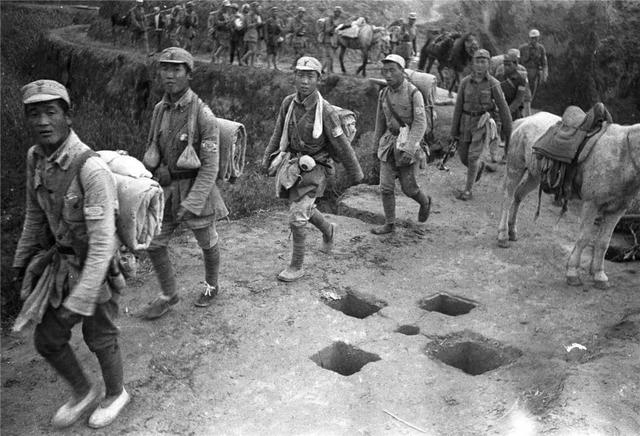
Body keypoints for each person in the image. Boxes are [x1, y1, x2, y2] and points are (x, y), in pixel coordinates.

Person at [12, 80, 129, 429]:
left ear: (68, 116)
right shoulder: (36, 158)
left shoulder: (90, 170)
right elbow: (35, 215)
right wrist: (22, 261)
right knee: (47, 339)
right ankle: (82, 391)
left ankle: (115, 393)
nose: (43, 121)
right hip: (61, 265)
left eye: (51, 112)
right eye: (34, 113)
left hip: (96, 267)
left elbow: (102, 244)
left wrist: (80, 300)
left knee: (100, 337)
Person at [140, 47, 228, 319]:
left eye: (177, 70)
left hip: (194, 190)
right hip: (166, 190)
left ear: (189, 75)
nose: (169, 75)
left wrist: (194, 201)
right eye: (165, 69)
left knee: (207, 241)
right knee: (155, 243)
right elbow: (153, 147)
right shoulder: (159, 110)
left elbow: (210, 166)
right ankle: (169, 294)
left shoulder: (203, 115)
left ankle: (212, 286)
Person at [262, 56, 364, 282]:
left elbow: (342, 145)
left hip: (317, 167)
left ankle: (296, 265)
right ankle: (328, 229)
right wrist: (267, 159)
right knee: (303, 208)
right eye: (300, 75)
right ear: (294, 77)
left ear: (319, 79)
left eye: (310, 76)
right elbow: (278, 133)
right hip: (294, 165)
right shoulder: (288, 103)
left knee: (297, 215)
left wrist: (356, 173)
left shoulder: (325, 111)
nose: (305, 81)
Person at [370, 54, 432, 235]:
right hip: (389, 144)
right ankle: (389, 224)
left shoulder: (414, 93)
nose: (388, 75)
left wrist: (410, 148)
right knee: (386, 187)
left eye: (392, 70)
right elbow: (379, 122)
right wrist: (375, 148)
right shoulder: (383, 94)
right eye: (385, 71)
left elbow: (420, 123)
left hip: (408, 145)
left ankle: (425, 201)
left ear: (402, 72)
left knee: (409, 188)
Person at [450, 49, 512, 201]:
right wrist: (453, 131)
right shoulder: (465, 82)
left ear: (488, 64)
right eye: (477, 61)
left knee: (472, 157)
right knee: (464, 156)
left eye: (483, 61)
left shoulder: (493, 83)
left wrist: (509, 131)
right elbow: (458, 107)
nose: (479, 65)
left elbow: (503, 108)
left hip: (481, 124)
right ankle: (478, 167)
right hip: (465, 122)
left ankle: (468, 191)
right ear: (472, 63)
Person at [519, 29, 548, 104]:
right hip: (523, 72)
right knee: (521, 91)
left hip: (534, 74)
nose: (534, 40)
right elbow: (517, 61)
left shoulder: (541, 49)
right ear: (529, 38)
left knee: (531, 93)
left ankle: (528, 107)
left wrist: (544, 74)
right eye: (532, 38)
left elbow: (544, 63)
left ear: (538, 38)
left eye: (535, 38)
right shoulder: (523, 48)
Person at [320, 6, 345, 74]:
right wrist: (334, 26)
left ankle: (322, 70)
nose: (339, 14)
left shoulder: (336, 19)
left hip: (333, 41)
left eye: (340, 12)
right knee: (330, 57)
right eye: (338, 12)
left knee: (330, 56)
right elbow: (327, 31)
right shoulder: (329, 20)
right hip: (327, 40)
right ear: (335, 12)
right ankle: (329, 72)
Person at [240, 2, 261, 66]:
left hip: (254, 33)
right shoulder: (248, 15)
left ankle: (252, 64)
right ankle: (242, 60)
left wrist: (259, 23)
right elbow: (248, 25)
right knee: (251, 50)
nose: (258, 8)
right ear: (253, 8)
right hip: (250, 34)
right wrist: (256, 23)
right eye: (257, 7)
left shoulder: (256, 15)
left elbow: (258, 24)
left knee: (254, 51)